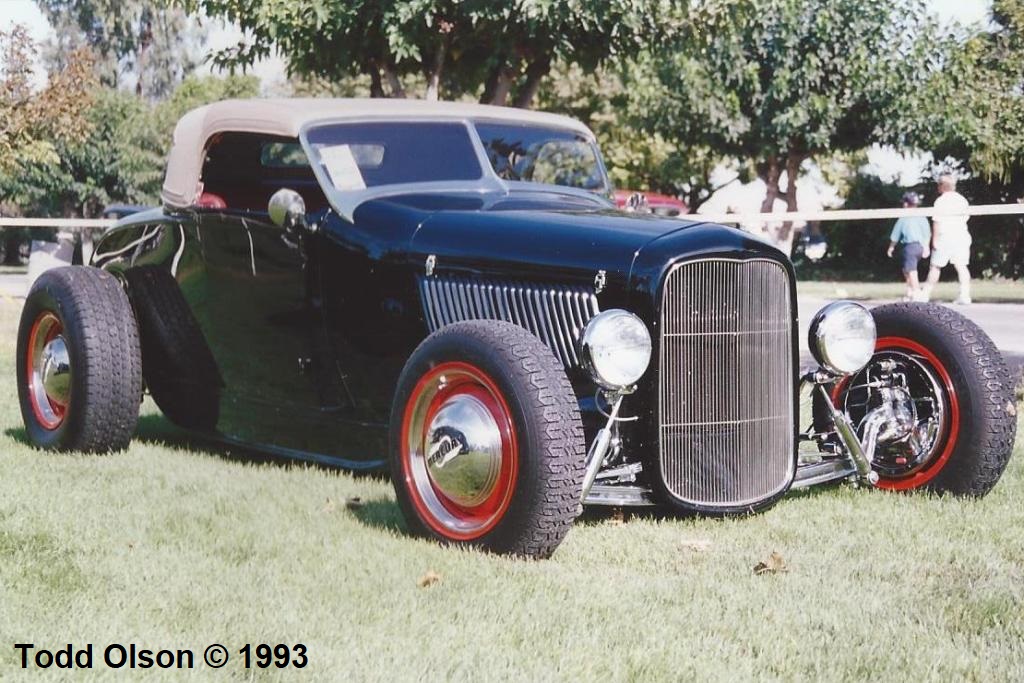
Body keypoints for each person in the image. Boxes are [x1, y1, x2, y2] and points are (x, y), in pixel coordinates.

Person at [922, 174, 972, 305]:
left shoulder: (940, 201)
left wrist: (934, 240)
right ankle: (965, 295)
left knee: (935, 267)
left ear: (942, 186)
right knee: (961, 266)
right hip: (961, 236)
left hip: (945, 237)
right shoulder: (962, 200)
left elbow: (937, 222)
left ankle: (924, 295)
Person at [886, 192, 930, 301]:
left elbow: (895, 235)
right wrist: (926, 247)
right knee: (906, 269)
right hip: (920, 246)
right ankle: (909, 291)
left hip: (910, 246)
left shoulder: (904, 218)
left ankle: (916, 292)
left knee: (911, 270)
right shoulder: (922, 217)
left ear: (906, 204)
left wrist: (891, 247)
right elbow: (927, 233)